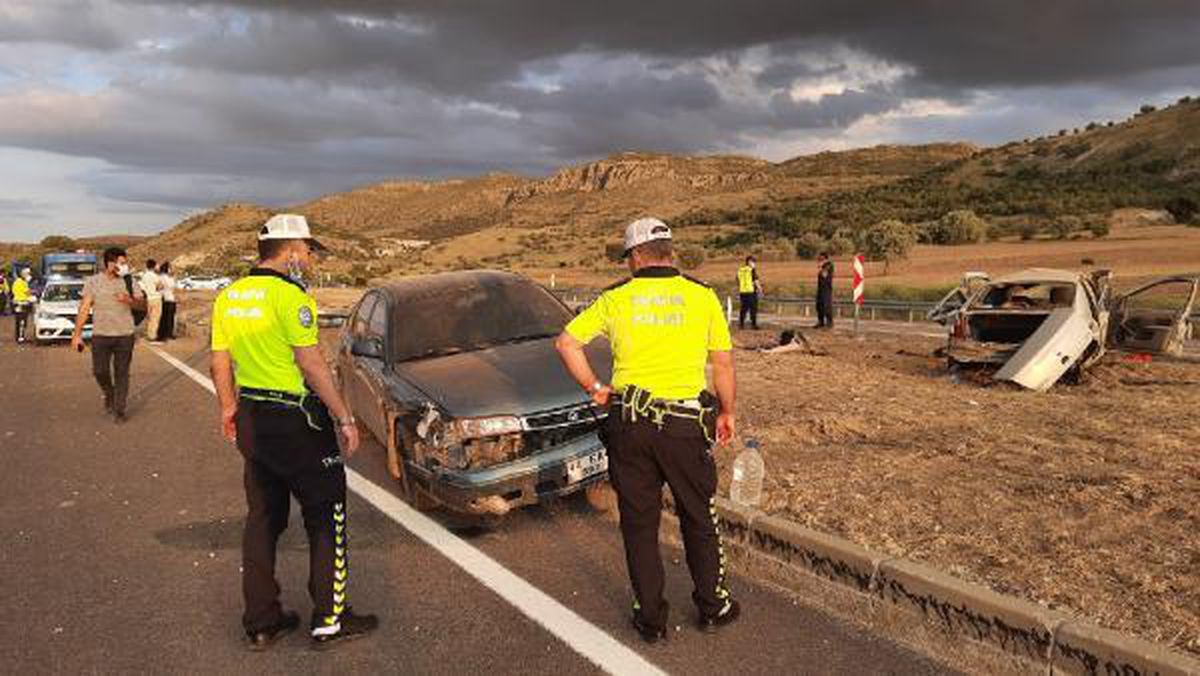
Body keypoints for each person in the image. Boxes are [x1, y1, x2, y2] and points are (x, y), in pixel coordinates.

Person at [556, 216, 740, 643]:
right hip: (683, 426)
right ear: (669, 253)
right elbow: (723, 365)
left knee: (639, 525)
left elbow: (566, 343)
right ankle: (713, 607)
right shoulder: (701, 296)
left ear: (636, 257)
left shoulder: (616, 298)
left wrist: (596, 388)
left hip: (630, 425)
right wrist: (727, 411)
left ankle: (651, 620)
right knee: (699, 517)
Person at [209, 214, 377, 651]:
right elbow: (311, 362)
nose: (310, 258)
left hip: (252, 416)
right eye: (307, 250)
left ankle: (262, 621)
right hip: (296, 420)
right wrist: (343, 416)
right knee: (326, 514)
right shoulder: (291, 296)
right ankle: (330, 618)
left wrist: (228, 406)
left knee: (263, 519)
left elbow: (220, 361)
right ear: (289, 251)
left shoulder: (230, 295)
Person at [72, 248, 146, 423]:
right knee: (100, 371)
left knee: (122, 373)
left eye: (125, 262)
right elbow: (84, 308)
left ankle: (119, 409)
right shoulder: (93, 282)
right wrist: (77, 335)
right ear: (109, 263)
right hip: (101, 335)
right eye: (121, 262)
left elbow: (143, 306)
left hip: (125, 335)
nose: (124, 266)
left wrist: (129, 300)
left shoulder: (129, 281)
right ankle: (109, 393)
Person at [140, 259, 163, 343]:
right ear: (154, 266)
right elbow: (160, 286)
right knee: (155, 318)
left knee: (149, 317)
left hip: (148, 298)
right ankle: (152, 336)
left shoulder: (144, 275)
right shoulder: (155, 276)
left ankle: (148, 333)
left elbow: (142, 287)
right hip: (156, 298)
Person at [736, 256, 761, 330]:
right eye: (753, 262)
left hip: (742, 292)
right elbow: (755, 280)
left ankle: (741, 325)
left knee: (743, 309)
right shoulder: (751, 270)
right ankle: (754, 325)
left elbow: (737, 280)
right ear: (749, 262)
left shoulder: (740, 270)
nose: (754, 264)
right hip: (751, 292)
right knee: (753, 309)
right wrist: (760, 289)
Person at [12, 267, 35, 344]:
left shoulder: (17, 282)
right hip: (21, 303)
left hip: (18, 303)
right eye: (28, 274)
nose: (29, 276)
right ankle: (20, 338)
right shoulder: (22, 283)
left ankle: (19, 336)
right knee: (22, 321)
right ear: (24, 274)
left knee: (19, 321)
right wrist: (32, 297)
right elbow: (27, 292)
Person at [157, 261, 177, 342]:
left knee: (171, 317)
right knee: (164, 318)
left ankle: (169, 333)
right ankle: (162, 335)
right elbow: (159, 288)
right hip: (165, 299)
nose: (171, 269)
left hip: (171, 299)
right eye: (170, 267)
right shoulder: (162, 277)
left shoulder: (170, 278)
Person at [815, 252, 834, 329]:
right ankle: (821, 322)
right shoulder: (823, 265)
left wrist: (820, 267)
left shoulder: (829, 265)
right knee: (819, 306)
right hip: (820, 288)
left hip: (826, 289)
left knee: (826, 306)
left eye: (820, 257)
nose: (818, 258)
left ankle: (829, 323)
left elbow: (824, 275)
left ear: (824, 257)